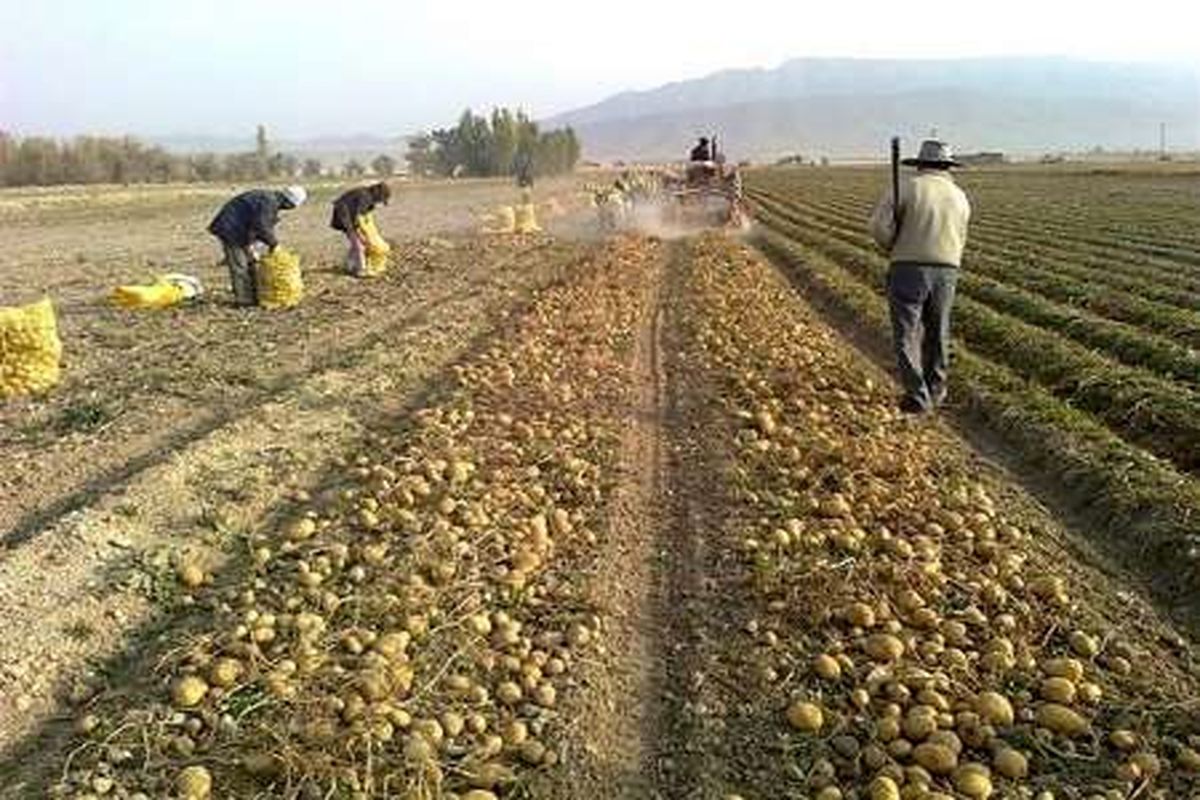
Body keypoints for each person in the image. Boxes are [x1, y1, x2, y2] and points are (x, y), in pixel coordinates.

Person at [868, 139, 971, 413]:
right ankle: (936, 390)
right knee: (938, 331)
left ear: (920, 164)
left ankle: (917, 395)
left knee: (907, 333)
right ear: (947, 166)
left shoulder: (905, 189)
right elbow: (962, 236)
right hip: (947, 271)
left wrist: (892, 245)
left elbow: (878, 227)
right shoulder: (960, 196)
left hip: (908, 268)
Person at [208, 186, 307, 306]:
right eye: (292, 207)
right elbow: (262, 226)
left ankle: (255, 295)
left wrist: (257, 244)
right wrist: (274, 244)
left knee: (252, 262)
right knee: (239, 265)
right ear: (289, 202)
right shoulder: (268, 202)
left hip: (241, 230)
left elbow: (260, 225)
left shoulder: (270, 200)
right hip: (230, 230)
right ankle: (244, 300)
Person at [330, 182, 391, 276]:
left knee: (356, 243)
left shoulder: (367, 197)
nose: (379, 202)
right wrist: (361, 234)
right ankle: (361, 269)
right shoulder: (365, 197)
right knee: (359, 245)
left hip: (347, 216)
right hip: (344, 216)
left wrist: (369, 234)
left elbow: (366, 218)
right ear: (378, 194)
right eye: (381, 200)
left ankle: (348, 265)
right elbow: (358, 218)